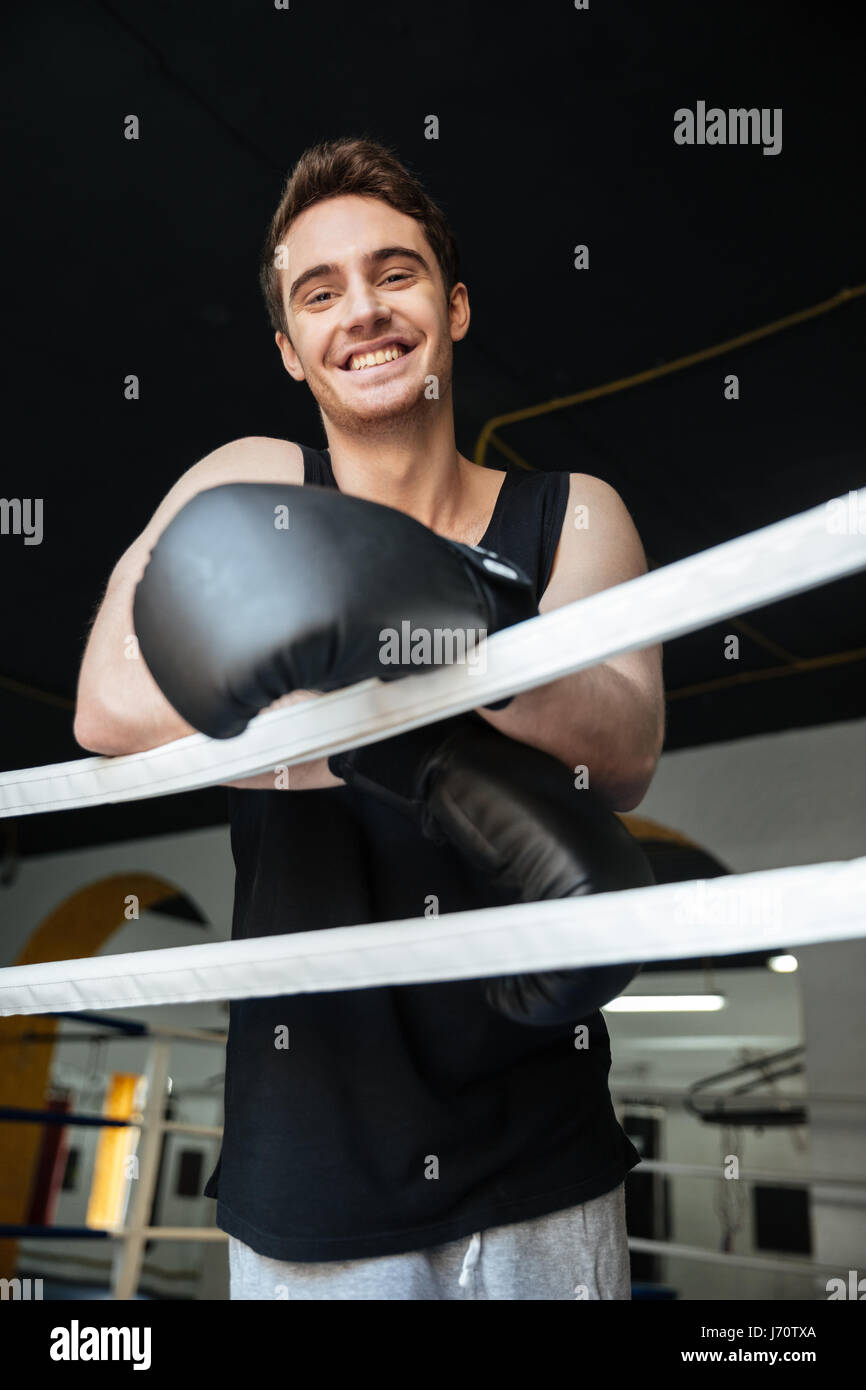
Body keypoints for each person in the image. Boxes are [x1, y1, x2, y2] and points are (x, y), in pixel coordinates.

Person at [73, 136, 665, 1300]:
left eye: (394, 274)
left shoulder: (571, 514)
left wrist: (422, 621)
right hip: (311, 1157)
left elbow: (625, 747)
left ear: (450, 307)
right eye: (320, 290)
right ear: (291, 351)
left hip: (536, 1151)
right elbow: (108, 700)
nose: (363, 310)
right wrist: (429, 738)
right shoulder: (261, 475)